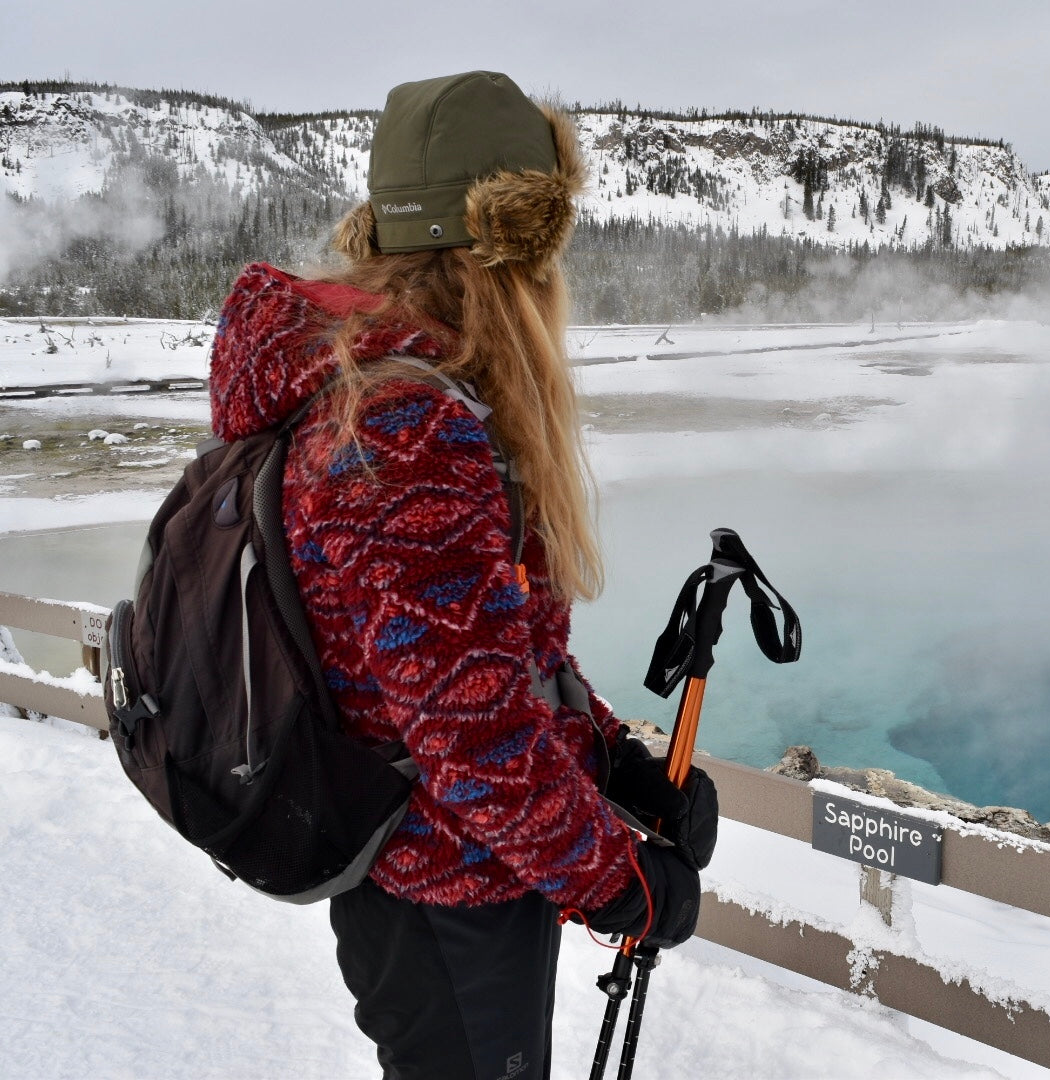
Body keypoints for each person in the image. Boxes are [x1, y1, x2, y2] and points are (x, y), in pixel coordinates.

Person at [206, 71, 718, 1080]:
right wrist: (619, 882)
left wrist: (609, 754)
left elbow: (485, 658)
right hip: (444, 890)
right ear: (513, 254)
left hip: (424, 878)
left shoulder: (384, 389)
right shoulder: (408, 427)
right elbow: (471, 735)